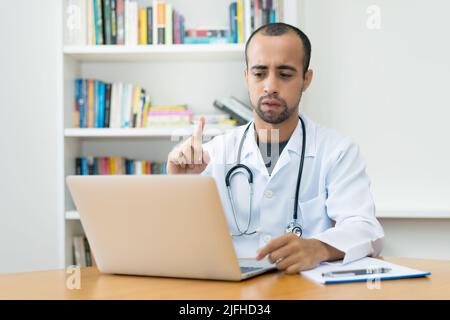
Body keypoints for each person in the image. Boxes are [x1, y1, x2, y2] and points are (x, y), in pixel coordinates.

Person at [166, 23, 384, 274]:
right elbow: (179, 246)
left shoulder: (337, 151)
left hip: (306, 290)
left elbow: (366, 228)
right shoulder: (210, 155)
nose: (270, 86)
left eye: (285, 74)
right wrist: (178, 186)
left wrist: (319, 247)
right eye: (259, 73)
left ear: (306, 79)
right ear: (246, 77)